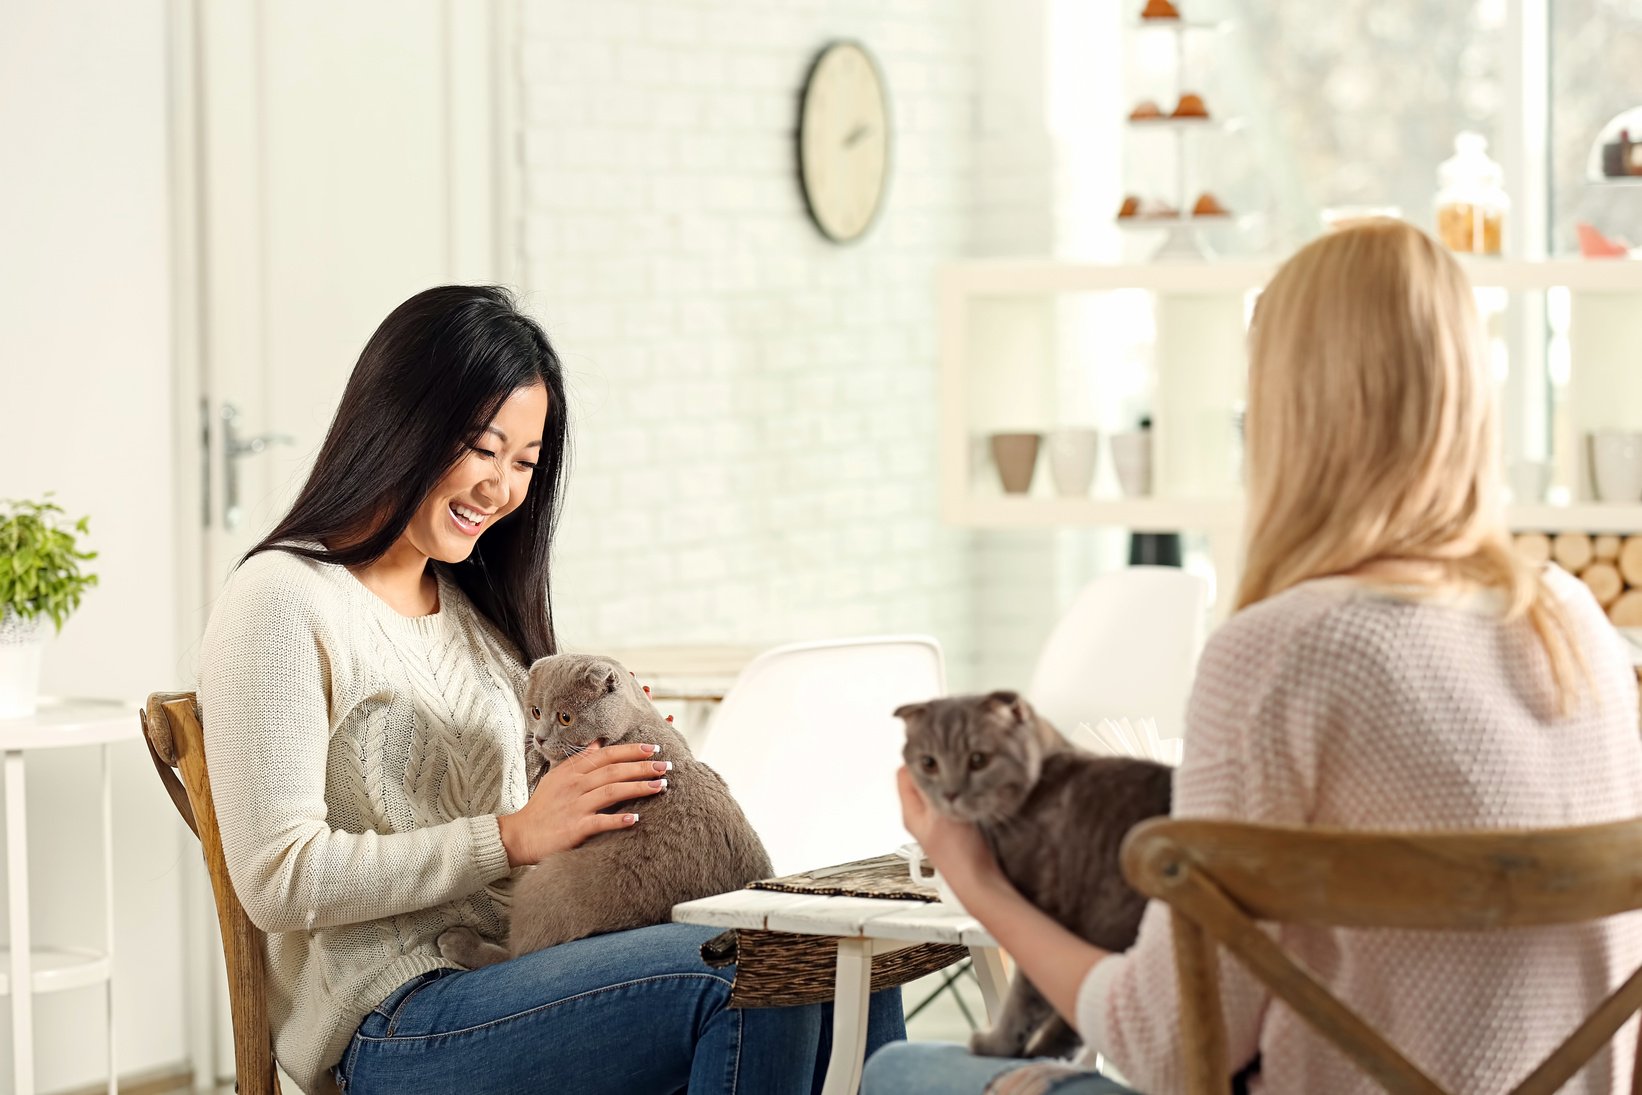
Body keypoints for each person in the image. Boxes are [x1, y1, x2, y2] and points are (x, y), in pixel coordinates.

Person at [864, 220, 1642, 1095]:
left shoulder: (1277, 652)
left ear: (1286, 411)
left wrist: (978, 882)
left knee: (901, 1070)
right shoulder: (1576, 625)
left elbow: (1169, 1046)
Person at [197, 285, 904, 1095]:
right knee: (746, 975)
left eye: (525, 463)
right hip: (395, 1020)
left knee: (846, 961)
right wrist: (513, 834)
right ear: (400, 420)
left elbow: (531, 823)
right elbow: (279, 879)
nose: (500, 487)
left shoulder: (476, 611)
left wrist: (605, 762)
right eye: (481, 447)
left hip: (528, 965)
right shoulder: (281, 600)